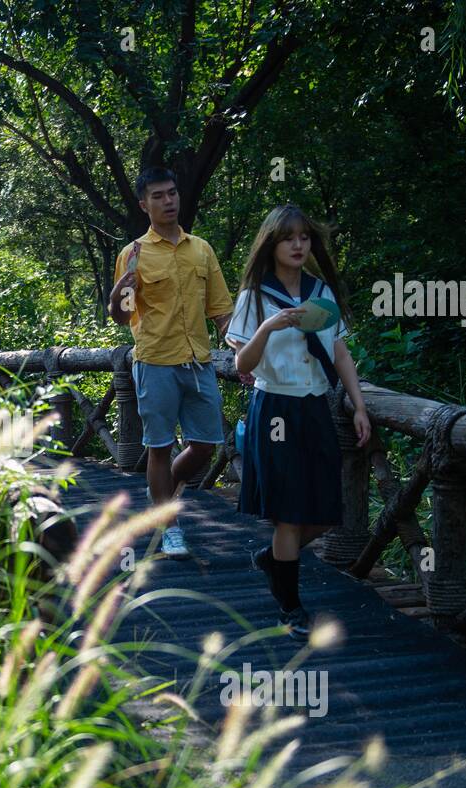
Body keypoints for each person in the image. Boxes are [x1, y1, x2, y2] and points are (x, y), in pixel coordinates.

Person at [223, 204, 371, 637]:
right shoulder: (255, 295)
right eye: (289, 238)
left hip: (314, 405)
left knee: (324, 511)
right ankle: (290, 606)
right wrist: (267, 328)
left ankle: (274, 558)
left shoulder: (320, 290)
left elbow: (339, 351)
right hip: (276, 409)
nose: (298, 245)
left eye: (304, 237)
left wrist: (359, 405)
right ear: (272, 243)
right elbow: (241, 363)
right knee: (288, 514)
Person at [108, 167, 235, 558]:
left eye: (173, 193)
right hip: (155, 362)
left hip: (199, 362)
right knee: (159, 447)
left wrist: (244, 350)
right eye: (159, 196)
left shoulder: (202, 249)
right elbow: (121, 316)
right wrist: (119, 294)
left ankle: (158, 491)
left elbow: (222, 313)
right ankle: (168, 523)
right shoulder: (133, 254)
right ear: (144, 204)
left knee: (205, 444)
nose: (169, 201)